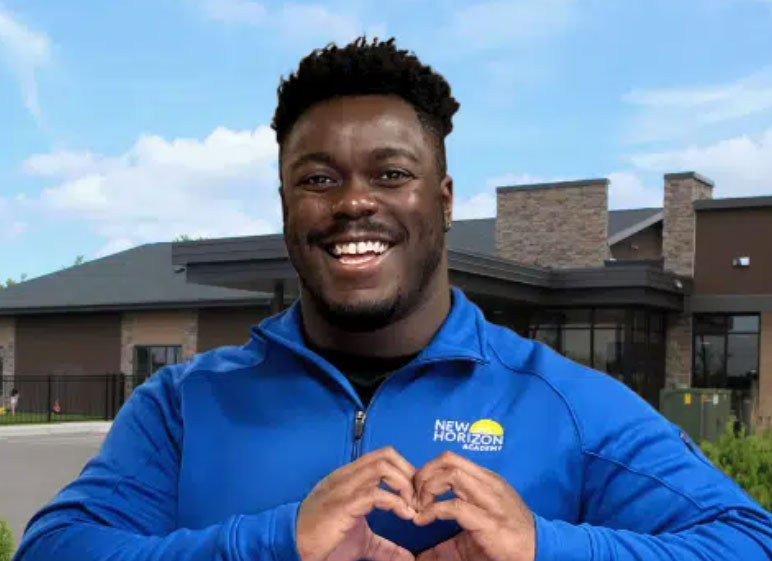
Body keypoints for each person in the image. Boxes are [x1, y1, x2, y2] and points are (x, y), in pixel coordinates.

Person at [14, 38, 772, 561]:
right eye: (318, 179)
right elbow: (56, 548)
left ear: (443, 199)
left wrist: (544, 546)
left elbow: (746, 539)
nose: (353, 203)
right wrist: (271, 544)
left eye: (391, 174)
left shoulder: (564, 403)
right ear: (285, 206)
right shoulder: (184, 405)